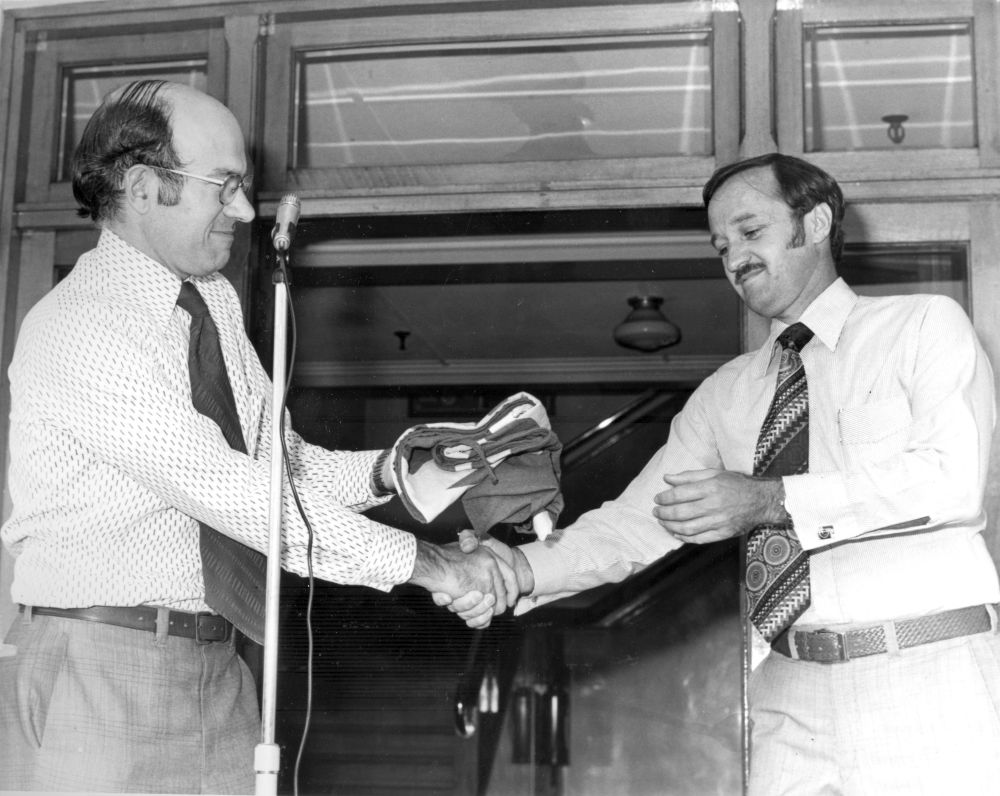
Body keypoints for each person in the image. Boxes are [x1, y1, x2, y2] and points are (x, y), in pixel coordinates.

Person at [0, 79, 514, 794]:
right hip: (98, 667)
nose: (244, 210)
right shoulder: (81, 325)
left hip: (219, 665)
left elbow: (281, 465)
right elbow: (233, 492)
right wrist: (432, 566)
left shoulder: (210, 304)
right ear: (145, 188)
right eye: (225, 186)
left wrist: (394, 469)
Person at [442, 153, 1000, 794]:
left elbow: (949, 481)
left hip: (927, 676)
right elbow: (635, 524)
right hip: (790, 685)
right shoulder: (726, 393)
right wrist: (515, 570)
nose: (734, 257)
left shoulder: (922, 325)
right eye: (721, 245)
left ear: (814, 223)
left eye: (750, 232)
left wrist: (769, 500)